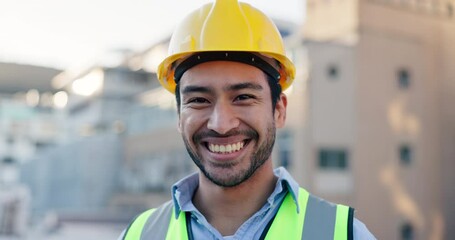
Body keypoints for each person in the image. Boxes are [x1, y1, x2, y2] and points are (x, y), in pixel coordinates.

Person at [120, 0, 376, 239]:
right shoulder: (139, 234)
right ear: (178, 116)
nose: (220, 124)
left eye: (243, 97)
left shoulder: (343, 233)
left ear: (279, 110)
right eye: (199, 100)